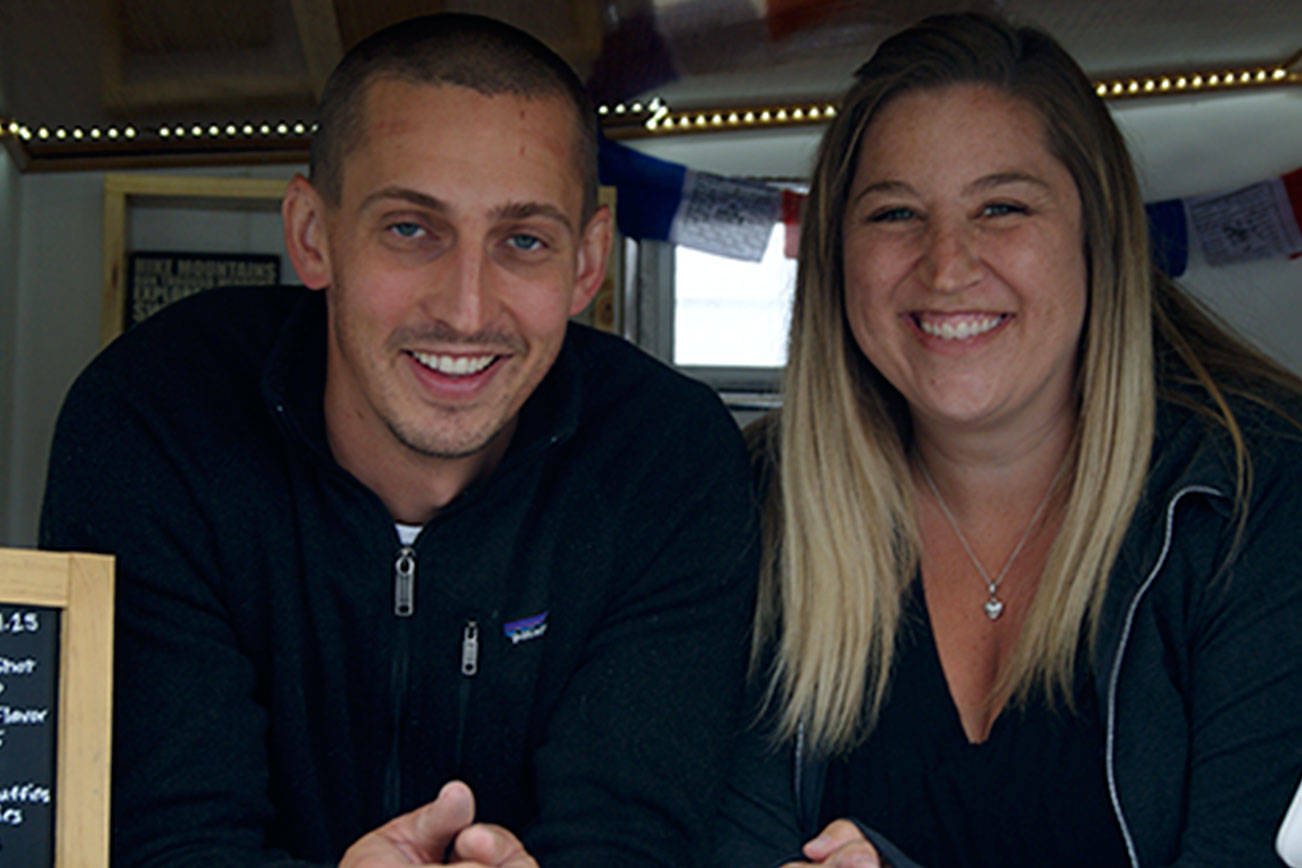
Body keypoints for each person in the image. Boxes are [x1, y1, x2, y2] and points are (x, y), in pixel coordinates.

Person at [40, 13, 758, 867]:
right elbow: (164, 838)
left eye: (523, 241)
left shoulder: (668, 460)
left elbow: (629, 838)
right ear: (314, 236)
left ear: (587, 264)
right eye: (411, 229)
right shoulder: (155, 418)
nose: (464, 308)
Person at [714, 12, 1302, 868]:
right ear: (835, 258)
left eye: (1001, 207)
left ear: (1098, 237)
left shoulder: (1256, 493)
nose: (947, 264)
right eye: (894, 214)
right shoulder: (756, 501)